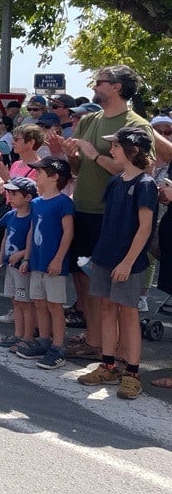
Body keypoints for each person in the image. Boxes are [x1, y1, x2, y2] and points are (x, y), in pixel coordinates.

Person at [63, 65, 153, 362]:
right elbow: (78, 168)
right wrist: (71, 157)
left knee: (111, 290)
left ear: (115, 87)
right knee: (83, 277)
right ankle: (95, 339)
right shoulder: (90, 120)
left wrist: (94, 154)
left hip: (112, 215)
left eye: (99, 81)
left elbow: (141, 169)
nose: (95, 85)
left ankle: (117, 355)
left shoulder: (135, 124)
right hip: (82, 206)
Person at [77, 127, 158, 399]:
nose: (111, 150)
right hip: (105, 256)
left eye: (116, 146)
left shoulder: (145, 185)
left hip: (128, 262)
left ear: (132, 150)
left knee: (129, 313)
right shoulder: (116, 181)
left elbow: (144, 228)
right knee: (107, 308)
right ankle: (108, 365)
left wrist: (127, 262)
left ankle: (132, 373)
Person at [12, 159, 75, 368]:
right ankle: (43, 340)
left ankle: (58, 347)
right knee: (39, 301)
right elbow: (32, 231)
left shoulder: (63, 202)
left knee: (54, 305)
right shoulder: (37, 202)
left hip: (53, 263)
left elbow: (68, 232)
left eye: (40, 173)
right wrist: (27, 258)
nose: (36, 176)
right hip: (37, 262)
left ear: (55, 176)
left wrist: (58, 259)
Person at [0, 177, 38, 351]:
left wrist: (22, 254)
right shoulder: (10, 215)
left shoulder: (32, 217)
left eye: (14, 193)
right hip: (11, 266)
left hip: (22, 267)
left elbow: (33, 239)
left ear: (27, 197)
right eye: (9, 192)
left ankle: (27, 336)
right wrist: (0, 258)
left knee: (25, 302)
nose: (9, 196)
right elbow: (6, 236)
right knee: (16, 301)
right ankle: (18, 334)